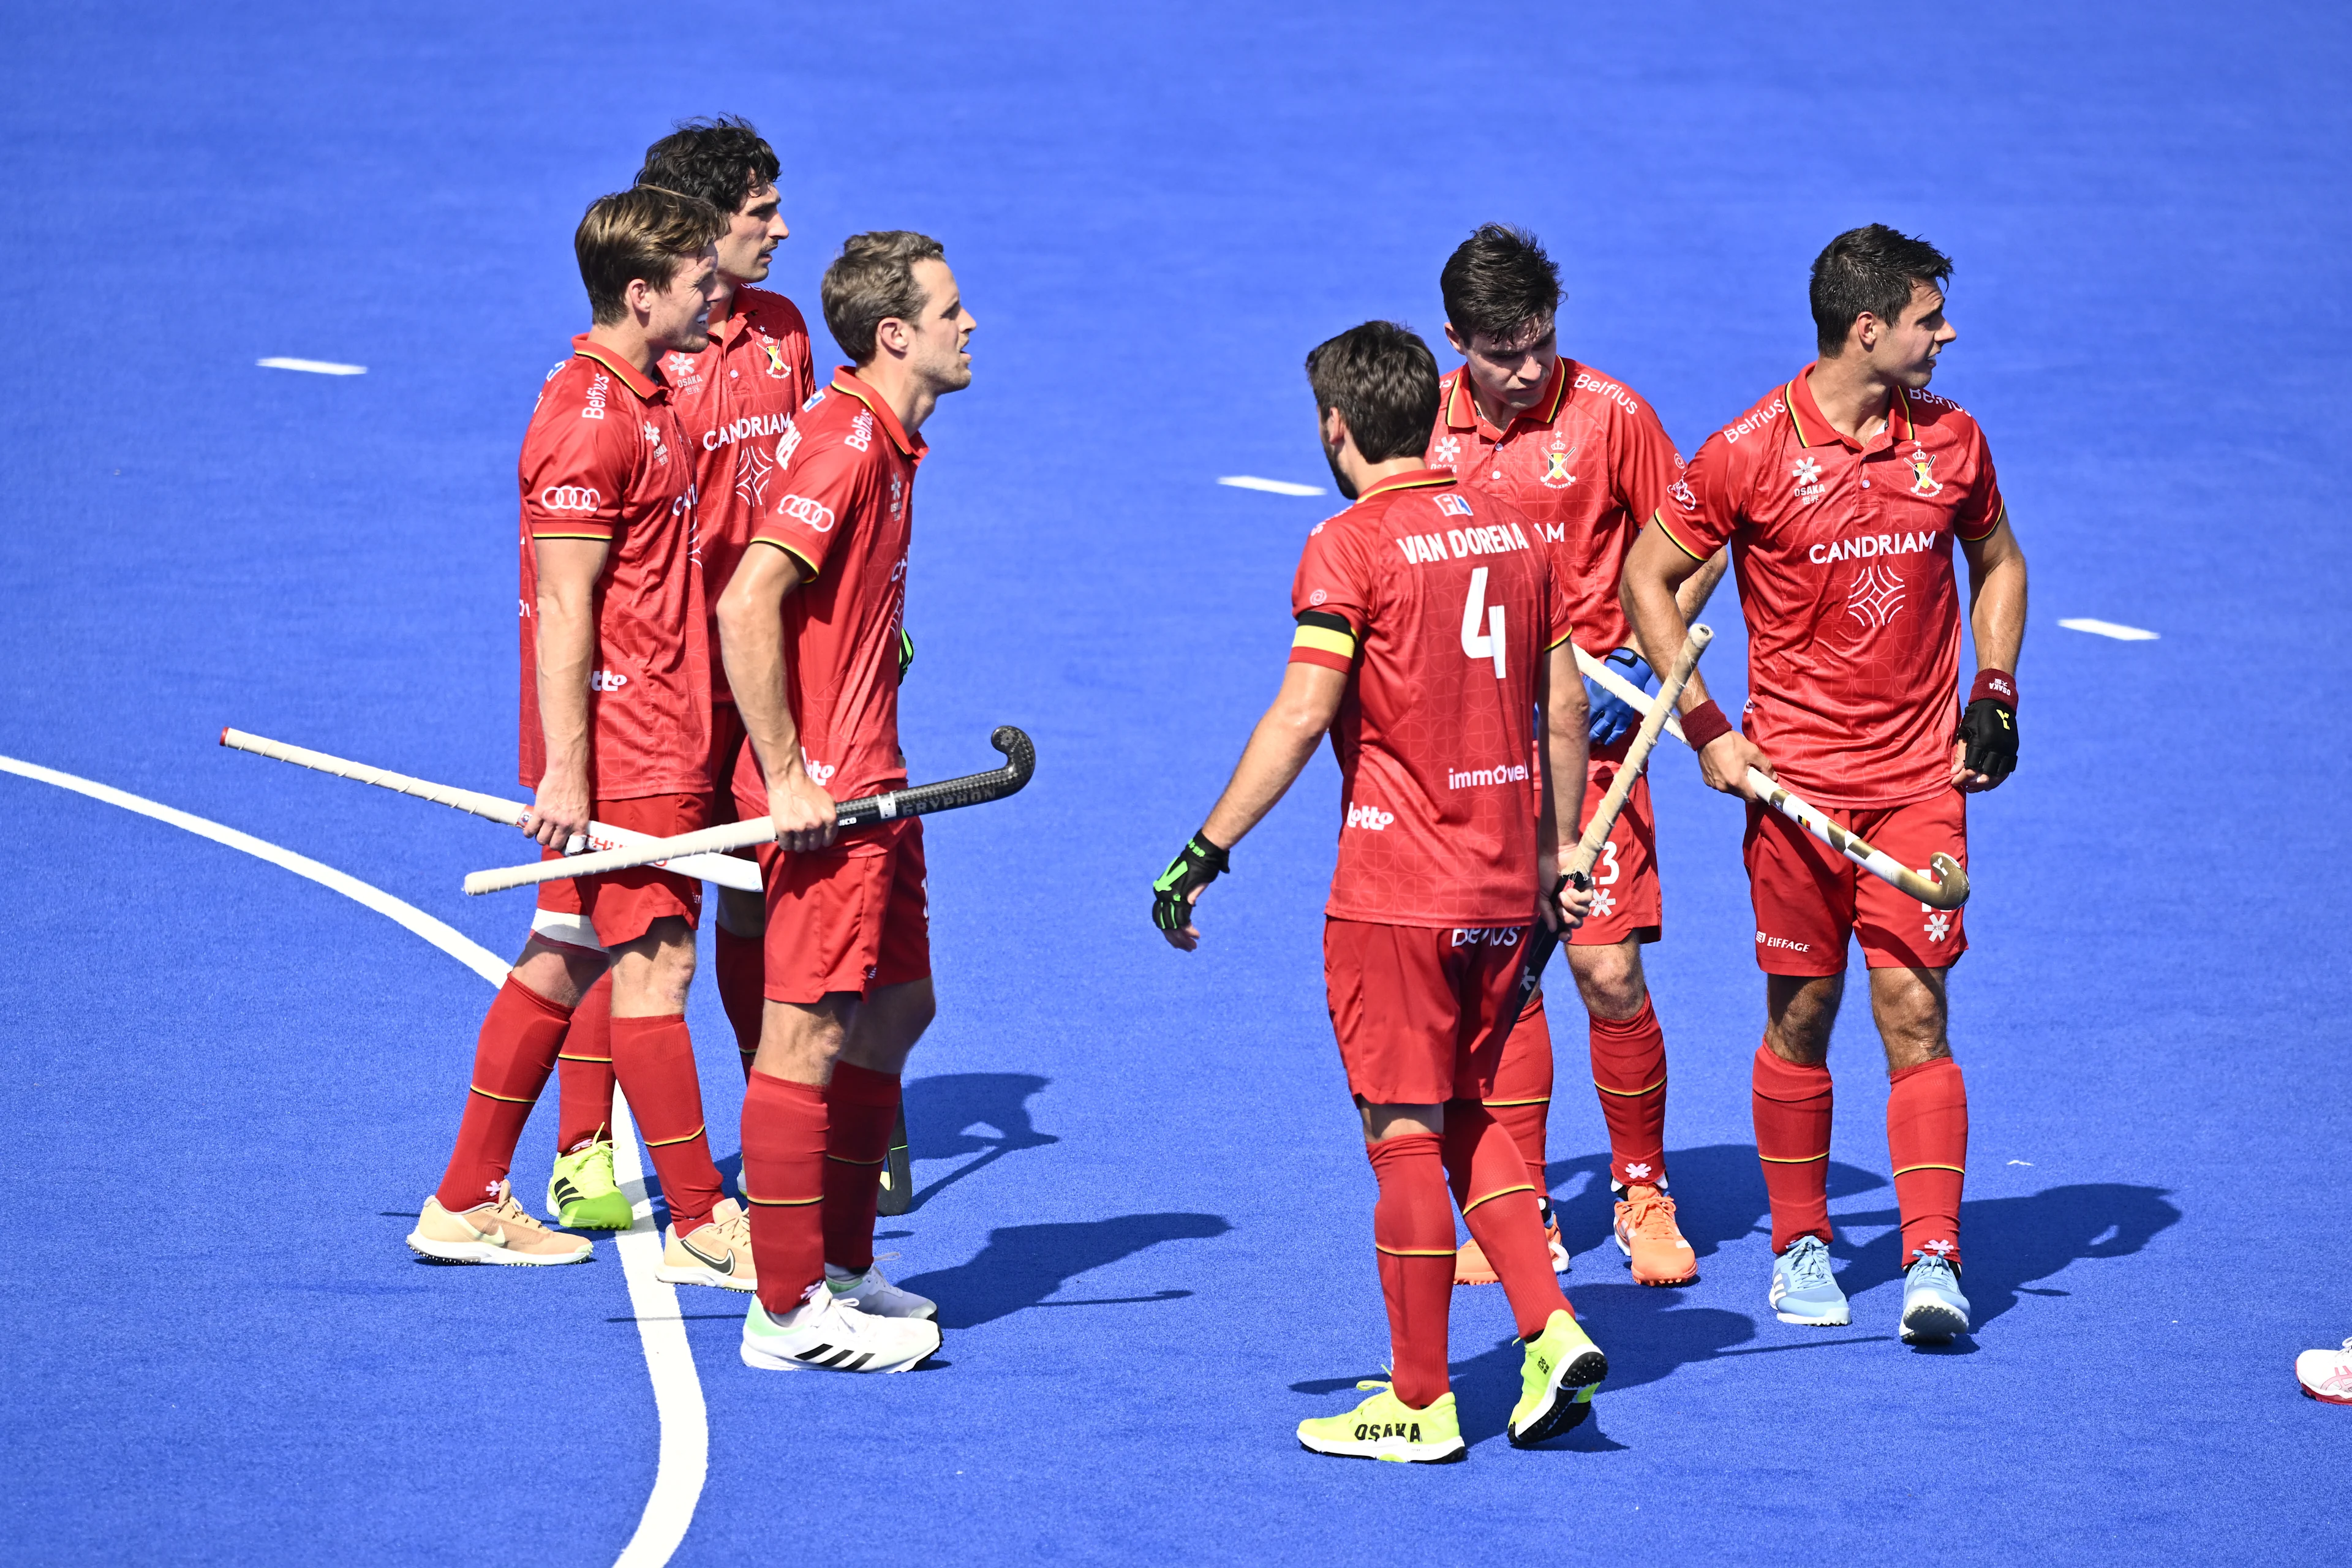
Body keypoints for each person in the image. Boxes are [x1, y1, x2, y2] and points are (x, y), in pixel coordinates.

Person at [1154, 320, 1605, 1462]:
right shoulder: (1518, 531)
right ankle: (1549, 1332)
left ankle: (1420, 1399)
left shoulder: (1346, 546)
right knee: (1469, 1119)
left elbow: (1306, 711)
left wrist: (1207, 848)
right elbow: (1563, 709)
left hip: (1399, 892)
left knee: (1402, 1133)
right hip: (1510, 884)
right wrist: (1559, 854)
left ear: (1336, 427)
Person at [1619, 224, 2029, 1344]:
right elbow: (1647, 579)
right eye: (1927, 318)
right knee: (1801, 1015)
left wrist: (1993, 688)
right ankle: (1802, 1241)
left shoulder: (1955, 443)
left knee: (1915, 1008)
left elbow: (1997, 561)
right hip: (1792, 792)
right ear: (1867, 329)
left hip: (1913, 785)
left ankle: (1932, 1257)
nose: (1945, 335)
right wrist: (1707, 727)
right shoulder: (1749, 450)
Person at [405, 187, 755, 1294]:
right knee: (658, 964)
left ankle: (464, 1198)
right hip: (626, 741)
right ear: (640, 293)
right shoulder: (591, 418)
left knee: (565, 948)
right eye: (701, 278)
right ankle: (705, 1221)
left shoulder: (645, 393)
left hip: (649, 731)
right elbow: (563, 605)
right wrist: (569, 766)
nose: (719, 291)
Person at [1428, 224, 1727, 1289]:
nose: (1529, 369)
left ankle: (1643, 1187)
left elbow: (1696, 546)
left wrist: (1651, 671)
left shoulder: (1612, 415)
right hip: (1475, 753)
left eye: (1542, 342)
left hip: (1595, 743)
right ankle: (1523, 1207)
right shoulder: (1424, 430)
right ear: (1456, 338)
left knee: (1606, 969)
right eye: (1503, 351)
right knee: (1502, 988)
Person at [540, 116, 818, 1235]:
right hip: (654, 686)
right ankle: (579, 1145)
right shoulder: (650, 375)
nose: (783, 232)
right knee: (612, 923)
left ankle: (778, 1110)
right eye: (760, 216)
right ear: (696, 236)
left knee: (752, 900)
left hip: (754, 675)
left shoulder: (787, 334)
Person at [717, 231, 976, 1373]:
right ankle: (783, 1314)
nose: (972, 327)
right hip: (827, 796)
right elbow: (745, 603)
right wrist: (786, 774)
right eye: (953, 311)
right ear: (895, 335)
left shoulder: (891, 440)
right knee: (806, 1031)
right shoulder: (844, 450)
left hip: (880, 783)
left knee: (900, 1008)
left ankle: (839, 1264)